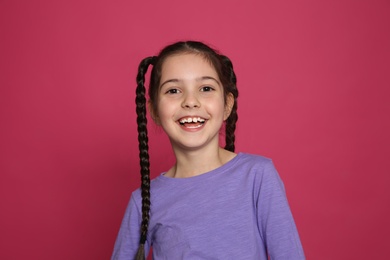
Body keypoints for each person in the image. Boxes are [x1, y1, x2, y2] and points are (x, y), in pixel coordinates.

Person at [112, 41, 305, 260]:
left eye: (206, 88)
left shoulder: (257, 175)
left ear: (227, 105)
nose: (191, 101)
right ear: (154, 110)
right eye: (173, 90)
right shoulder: (143, 202)